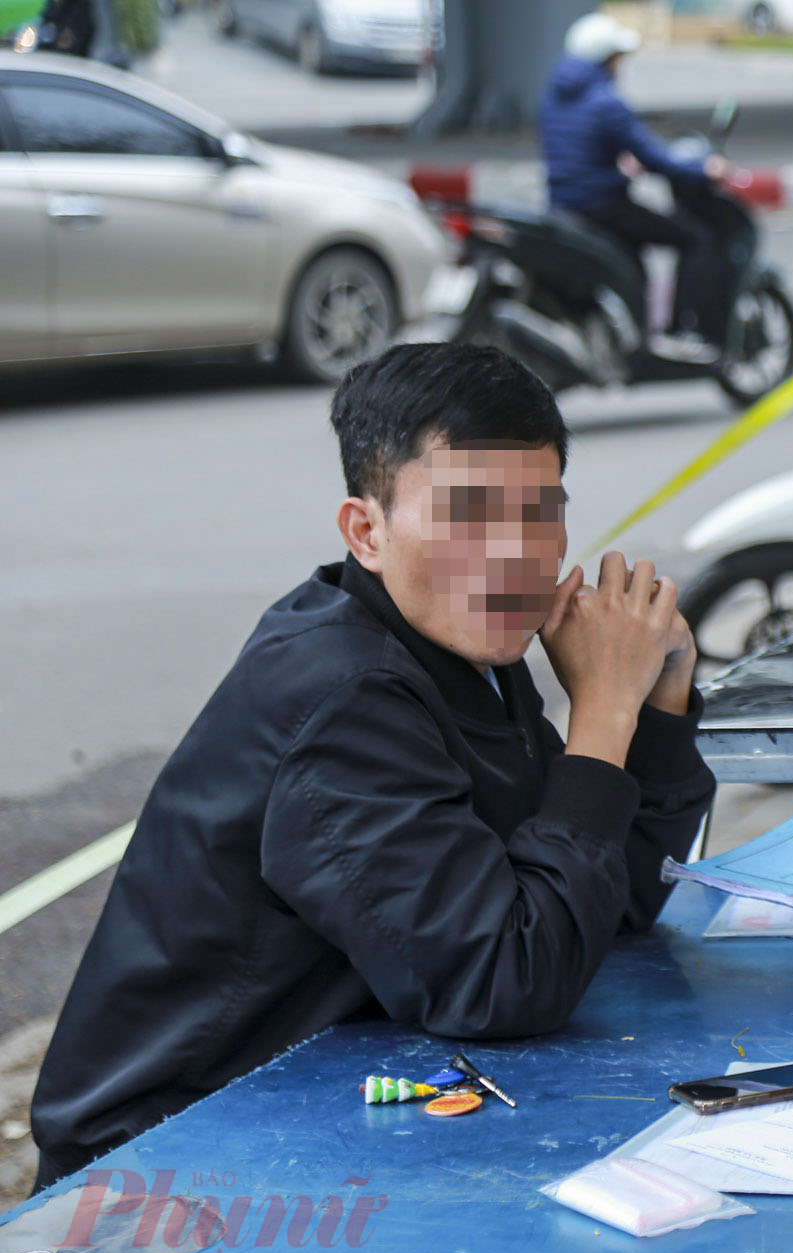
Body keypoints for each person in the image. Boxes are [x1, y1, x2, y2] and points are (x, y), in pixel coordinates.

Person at [30, 343, 716, 1189]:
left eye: (541, 513)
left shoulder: (463, 647)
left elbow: (614, 899)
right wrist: (603, 712)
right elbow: (504, 983)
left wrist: (657, 703)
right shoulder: (345, 695)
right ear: (366, 531)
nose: (514, 554)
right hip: (165, 1166)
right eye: (468, 516)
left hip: (326, 1102)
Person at [540, 13, 731, 364]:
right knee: (697, 238)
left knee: (636, 259)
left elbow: (579, 149)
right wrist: (703, 169)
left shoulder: (555, 95)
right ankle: (681, 331)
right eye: (618, 57)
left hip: (565, 204)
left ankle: (641, 335)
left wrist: (619, 166)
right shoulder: (607, 102)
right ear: (607, 59)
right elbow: (657, 158)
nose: (621, 65)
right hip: (601, 205)